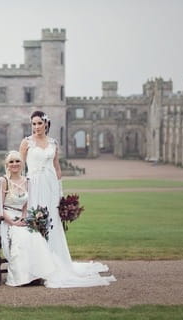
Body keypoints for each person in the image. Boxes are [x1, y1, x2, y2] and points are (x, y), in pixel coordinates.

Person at [19, 110, 116, 288]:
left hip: (50, 186)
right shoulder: (26, 143)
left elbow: (57, 169)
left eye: (39, 123)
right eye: (33, 123)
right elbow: (19, 168)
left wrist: (60, 194)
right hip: (33, 184)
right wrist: (21, 189)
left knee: (52, 223)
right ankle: (35, 266)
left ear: (46, 124)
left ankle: (54, 263)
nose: (36, 127)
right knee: (35, 222)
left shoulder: (53, 143)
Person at [0, 150, 56, 286]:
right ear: (7, 165)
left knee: (35, 236)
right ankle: (21, 277)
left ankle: (36, 274)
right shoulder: (3, 181)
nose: (14, 164)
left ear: (22, 164)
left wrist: (24, 218)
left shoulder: (27, 181)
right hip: (7, 218)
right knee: (21, 237)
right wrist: (12, 222)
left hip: (21, 217)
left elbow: (26, 205)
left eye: (17, 161)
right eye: (11, 161)